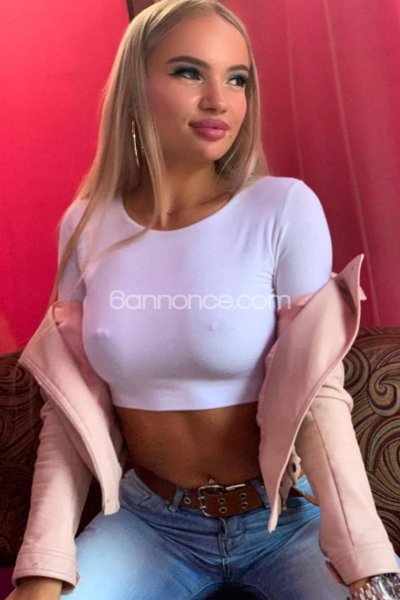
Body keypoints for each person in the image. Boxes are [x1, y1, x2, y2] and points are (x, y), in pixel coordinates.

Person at [8, 1, 400, 599]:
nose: (219, 99)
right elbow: (67, 410)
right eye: (190, 72)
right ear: (136, 86)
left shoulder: (283, 208)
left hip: (284, 520)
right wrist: (43, 564)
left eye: (237, 79)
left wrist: (366, 563)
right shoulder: (84, 225)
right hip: (148, 524)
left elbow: (319, 394)